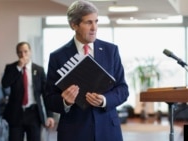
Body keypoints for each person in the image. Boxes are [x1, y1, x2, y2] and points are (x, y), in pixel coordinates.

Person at [44, 1, 129, 141]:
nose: (94, 27)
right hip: (74, 132)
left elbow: (123, 89)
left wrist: (104, 100)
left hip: (107, 129)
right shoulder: (57, 57)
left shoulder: (111, 51)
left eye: (96, 21)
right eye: (88, 22)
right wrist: (65, 101)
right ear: (74, 25)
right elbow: (49, 99)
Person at [1, 41, 55, 141]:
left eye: (25, 51)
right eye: (20, 52)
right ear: (17, 54)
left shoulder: (38, 70)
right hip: (16, 114)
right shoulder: (11, 68)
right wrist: (18, 68)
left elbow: (46, 93)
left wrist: (49, 115)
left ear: (30, 52)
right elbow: (5, 84)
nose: (23, 55)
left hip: (33, 114)